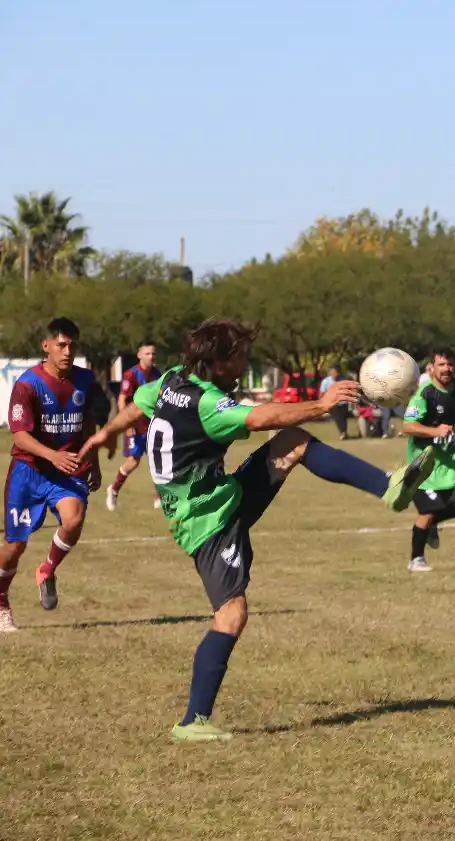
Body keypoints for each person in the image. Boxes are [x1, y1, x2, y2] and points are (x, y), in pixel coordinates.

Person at [78, 318, 436, 742]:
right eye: (241, 355)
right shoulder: (207, 404)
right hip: (209, 522)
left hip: (221, 498)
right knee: (231, 615)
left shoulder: (174, 380)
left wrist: (103, 433)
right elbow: (262, 416)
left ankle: (389, 488)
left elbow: (138, 406)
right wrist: (321, 405)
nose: (247, 361)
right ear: (220, 361)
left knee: (294, 442)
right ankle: (193, 721)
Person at [1, 318, 104, 631]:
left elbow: (88, 422)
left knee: (74, 519)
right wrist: (52, 456)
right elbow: (19, 437)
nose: (67, 351)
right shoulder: (27, 384)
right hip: (29, 471)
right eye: (61, 344)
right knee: (14, 547)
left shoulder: (85, 380)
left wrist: (94, 461)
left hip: (67, 469)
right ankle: (1, 602)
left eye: (72, 344)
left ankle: (46, 570)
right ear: (46, 346)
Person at [401, 346, 455, 572]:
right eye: (442, 364)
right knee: (428, 512)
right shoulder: (424, 394)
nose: (447, 369)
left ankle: (432, 525)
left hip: (453, 464)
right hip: (426, 467)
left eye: (450, 364)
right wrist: (434, 432)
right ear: (431, 368)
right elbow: (408, 426)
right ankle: (416, 559)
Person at [106, 342, 162, 511]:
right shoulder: (131, 375)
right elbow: (122, 400)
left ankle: (160, 496)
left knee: (159, 458)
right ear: (139, 356)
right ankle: (114, 489)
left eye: (153, 353)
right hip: (135, 425)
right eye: (147, 353)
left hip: (152, 424)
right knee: (133, 461)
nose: (151, 356)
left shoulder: (157, 374)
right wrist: (127, 422)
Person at [319, 366, 350, 440]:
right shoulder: (325, 382)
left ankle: (344, 432)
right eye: (333, 373)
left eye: (336, 373)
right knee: (338, 418)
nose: (334, 374)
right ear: (330, 373)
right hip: (333, 403)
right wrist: (322, 402)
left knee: (343, 418)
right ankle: (342, 432)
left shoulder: (342, 380)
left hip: (343, 402)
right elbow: (322, 393)